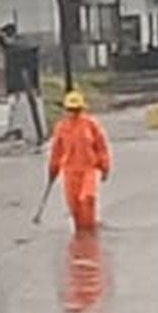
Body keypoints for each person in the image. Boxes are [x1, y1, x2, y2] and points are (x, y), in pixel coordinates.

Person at [49, 91, 112, 231]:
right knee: (74, 204)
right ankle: (81, 232)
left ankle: (89, 229)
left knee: (87, 198)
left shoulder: (91, 125)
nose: (73, 113)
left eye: (76, 109)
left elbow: (101, 146)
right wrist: (53, 169)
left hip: (88, 169)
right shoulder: (61, 127)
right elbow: (56, 151)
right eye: (70, 110)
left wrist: (105, 166)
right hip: (69, 171)